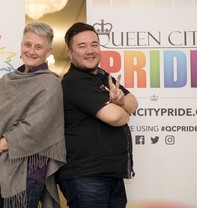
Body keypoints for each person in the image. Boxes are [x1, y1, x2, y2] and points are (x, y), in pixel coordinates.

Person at [0, 22, 66, 208]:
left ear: (49, 51)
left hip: (26, 173)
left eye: (38, 47)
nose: (31, 51)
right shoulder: (6, 80)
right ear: (21, 45)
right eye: (27, 44)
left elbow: (35, 128)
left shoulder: (51, 84)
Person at [56, 22, 138, 208]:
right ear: (70, 53)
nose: (90, 50)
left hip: (110, 175)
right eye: (82, 46)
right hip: (86, 177)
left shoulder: (102, 76)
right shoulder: (75, 81)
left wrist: (122, 103)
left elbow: (133, 102)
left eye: (94, 44)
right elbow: (115, 117)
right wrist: (123, 109)